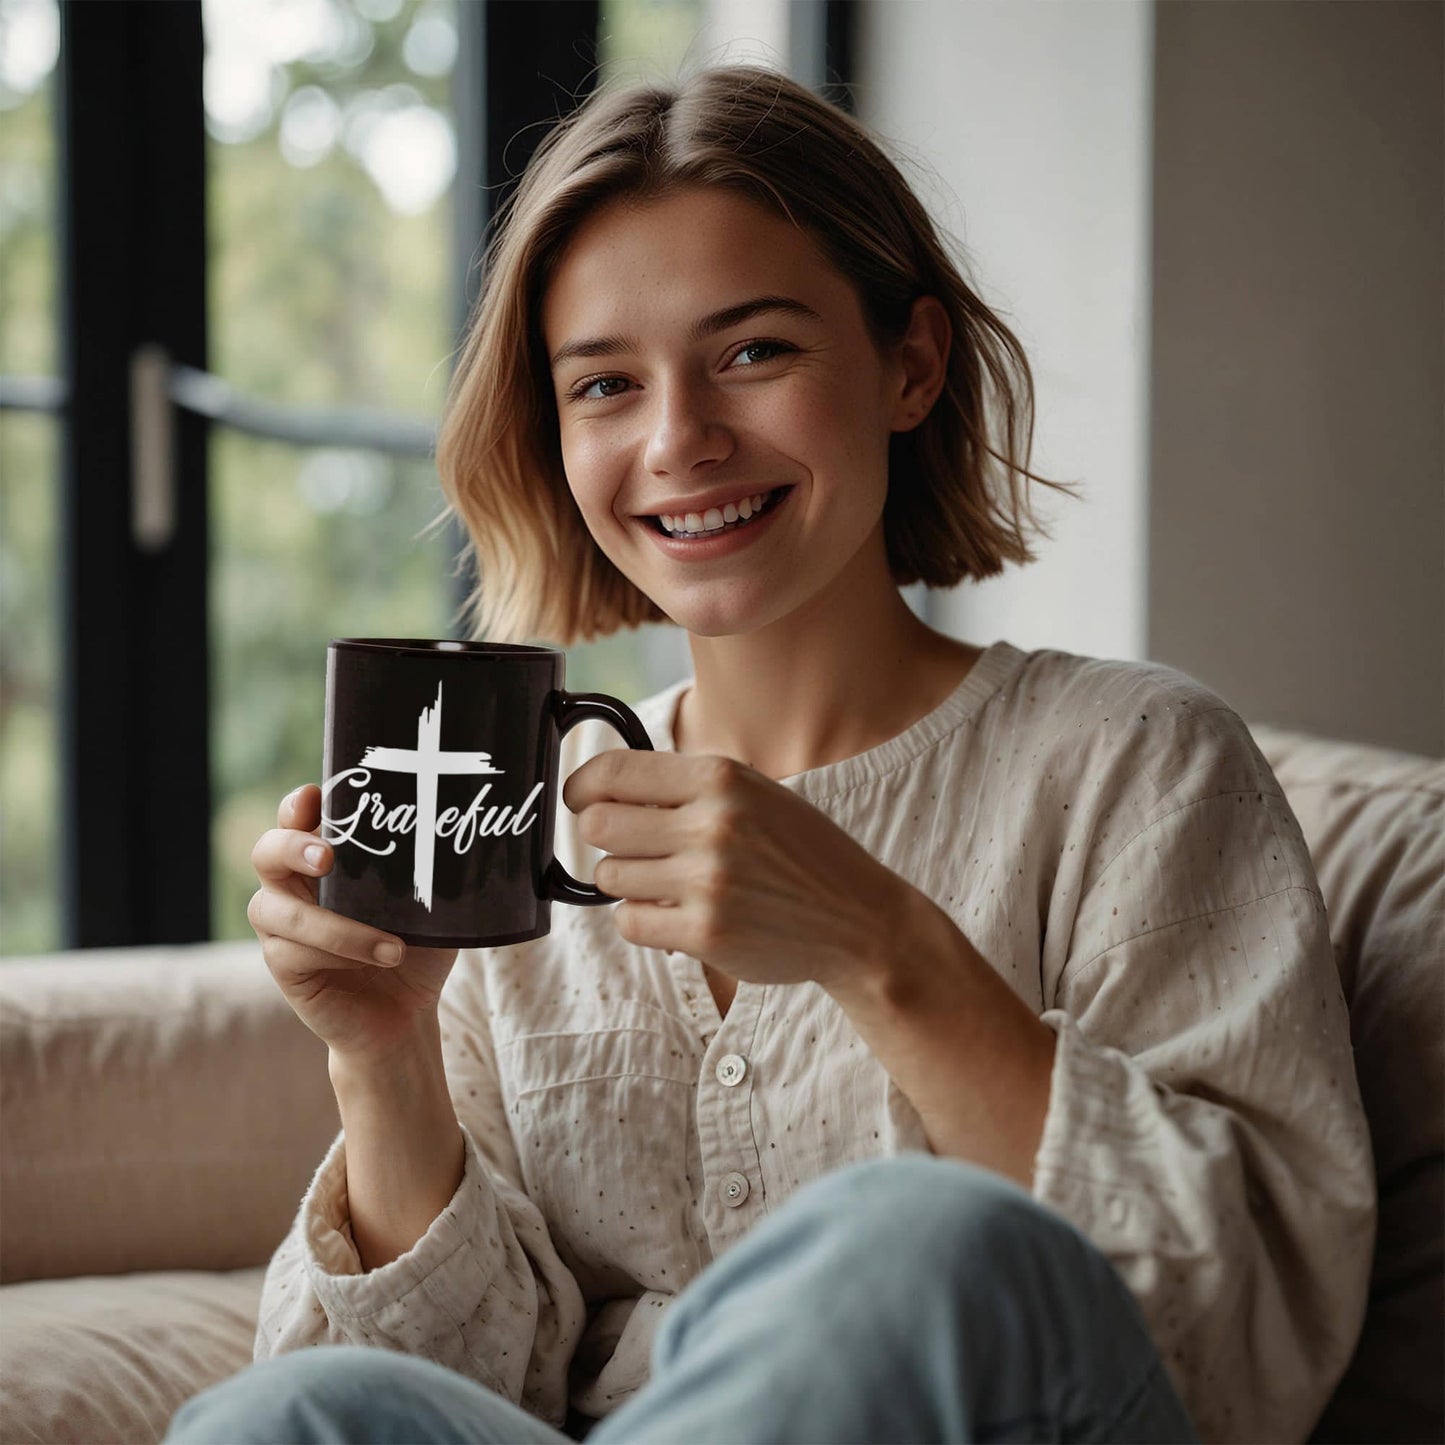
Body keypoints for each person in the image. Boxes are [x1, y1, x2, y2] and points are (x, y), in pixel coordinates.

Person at [165, 65, 1374, 1445]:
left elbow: (1251, 1334)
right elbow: (476, 1403)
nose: (678, 439)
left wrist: (879, 946)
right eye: (606, 384)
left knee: (921, 1244)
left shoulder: (1135, 765)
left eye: (752, 352)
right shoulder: (524, 844)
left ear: (908, 366)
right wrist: (383, 1064)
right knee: (307, 1406)